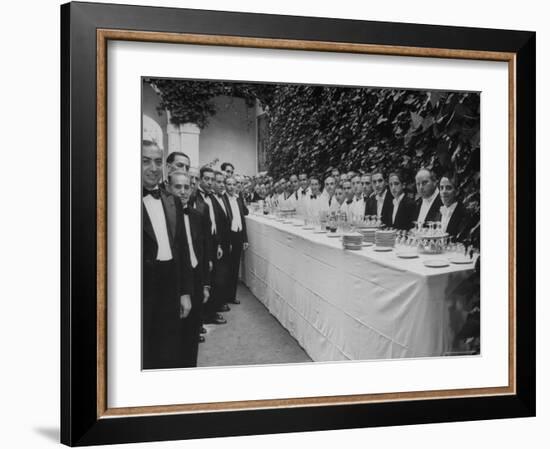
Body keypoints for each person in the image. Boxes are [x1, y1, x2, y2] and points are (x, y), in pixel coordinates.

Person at [141, 140, 193, 369]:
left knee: (169, 346)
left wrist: (184, 292)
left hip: (170, 282)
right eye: (145, 161)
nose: (153, 168)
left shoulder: (170, 200)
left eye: (157, 162)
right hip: (143, 285)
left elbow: (181, 250)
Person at [167, 171, 211, 361]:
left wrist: (206, 284)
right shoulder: (165, 218)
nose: (183, 191)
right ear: (169, 188)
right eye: (178, 187)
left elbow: (203, 250)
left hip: (196, 279)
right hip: (174, 283)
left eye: (187, 187)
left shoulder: (197, 216)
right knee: (174, 337)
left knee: (192, 336)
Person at [190, 166, 226, 325]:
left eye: (212, 179)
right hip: (200, 245)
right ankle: (202, 318)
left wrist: (217, 245)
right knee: (202, 281)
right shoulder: (194, 197)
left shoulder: (213, 198)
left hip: (212, 244)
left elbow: (216, 223)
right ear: (199, 179)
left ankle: (210, 313)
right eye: (207, 179)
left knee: (213, 280)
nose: (210, 182)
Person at [209, 171, 233, 316]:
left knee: (223, 273)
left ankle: (221, 300)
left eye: (221, 182)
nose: (220, 184)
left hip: (224, 241)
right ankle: (216, 305)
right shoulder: (210, 199)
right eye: (218, 182)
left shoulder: (223, 197)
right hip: (216, 242)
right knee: (216, 275)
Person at [225, 176, 249, 305]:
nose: (231, 187)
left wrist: (244, 238)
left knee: (235, 267)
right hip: (229, 236)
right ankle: (223, 296)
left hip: (239, 235)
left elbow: (244, 215)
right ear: (225, 185)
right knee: (226, 268)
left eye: (234, 184)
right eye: (228, 184)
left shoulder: (238, 198)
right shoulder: (223, 199)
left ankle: (231, 296)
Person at [439, 175, 471, 241]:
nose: (444, 191)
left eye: (448, 188)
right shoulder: (438, 212)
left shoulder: (464, 214)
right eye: (441, 188)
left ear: (457, 192)